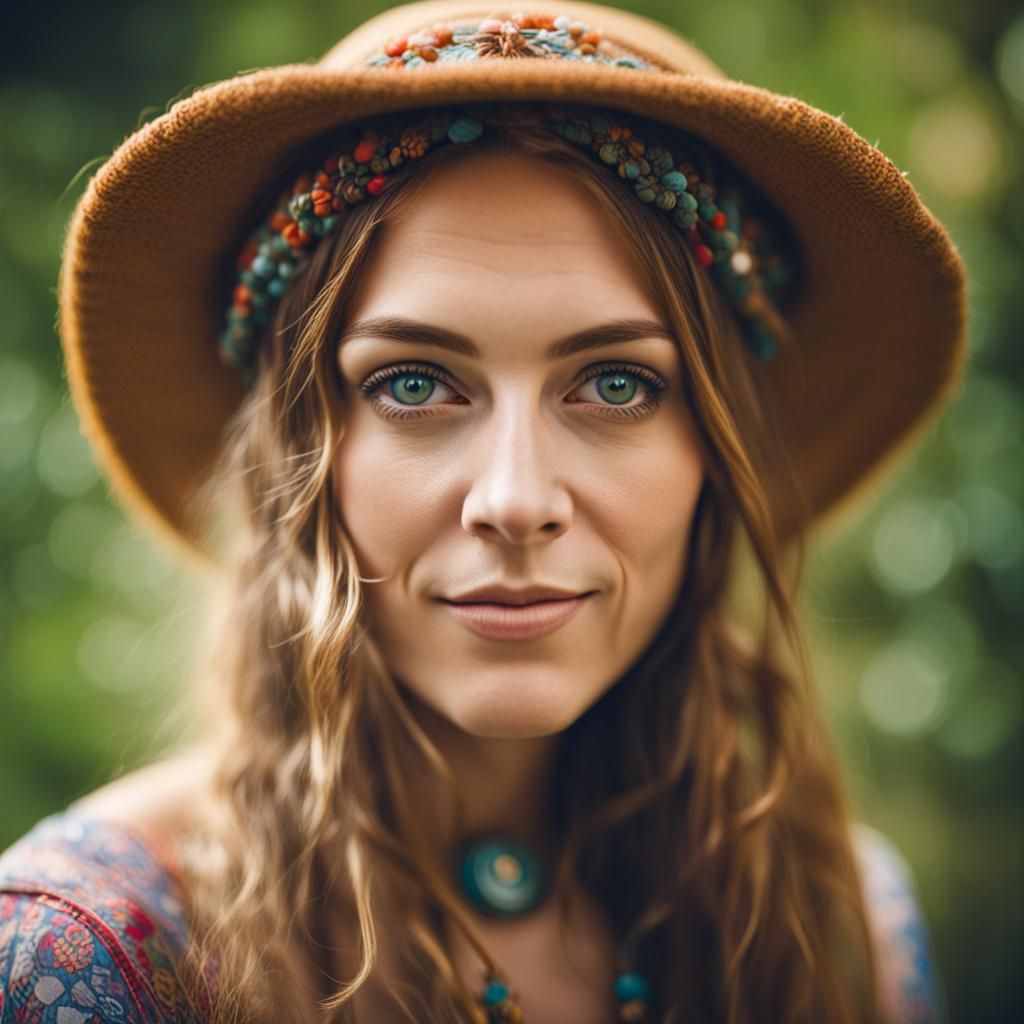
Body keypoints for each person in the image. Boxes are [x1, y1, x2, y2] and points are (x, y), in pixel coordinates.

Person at [0, 3, 964, 1022]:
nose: (514, 499)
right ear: (294, 458)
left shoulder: (845, 923)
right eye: (414, 385)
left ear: (714, 460)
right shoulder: (81, 955)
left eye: (617, 384)